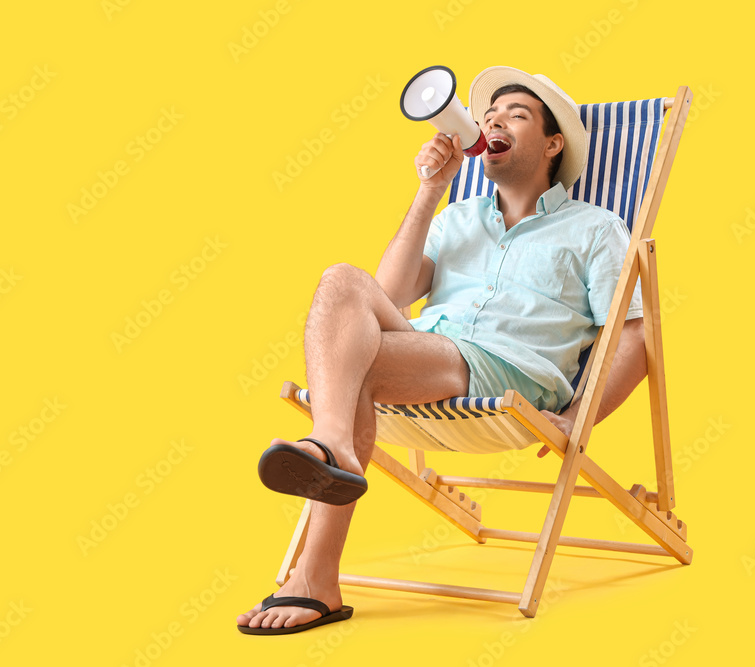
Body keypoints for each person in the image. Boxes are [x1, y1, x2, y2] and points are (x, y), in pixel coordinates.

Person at [237, 66, 648, 635]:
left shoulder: (596, 228)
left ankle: (315, 558)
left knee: (348, 347)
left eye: (516, 114)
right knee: (341, 284)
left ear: (553, 144)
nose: (493, 121)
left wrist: (580, 417)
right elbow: (390, 296)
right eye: (488, 115)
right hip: (436, 353)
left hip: (510, 373)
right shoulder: (455, 217)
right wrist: (431, 188)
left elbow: (634, 336)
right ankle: (332, 460)